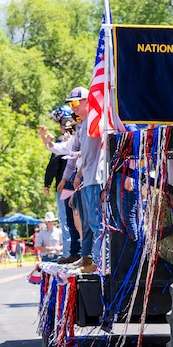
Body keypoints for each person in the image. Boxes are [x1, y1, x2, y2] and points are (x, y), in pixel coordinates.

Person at [39, 87, 102, 273]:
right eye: (71, 104)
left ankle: (100, 262)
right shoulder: (83, 125)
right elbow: (69, 149)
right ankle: (89, 259)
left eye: (75, 103)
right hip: (88, 179)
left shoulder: (98, 119)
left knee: (96, 222)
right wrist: (49, 143)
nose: (73, 107)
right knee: (90, 222)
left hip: (98, 178)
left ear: (86, 101)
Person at [44, 105, 81, 264]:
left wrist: (48, 183)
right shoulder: (69, 140)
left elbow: (54, 163)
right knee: (72, 219)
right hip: (68, 182)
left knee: (70, 220)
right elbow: (69, 161)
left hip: (71, 184)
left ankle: (73, 252)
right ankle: (74, 252)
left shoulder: (74, 138)